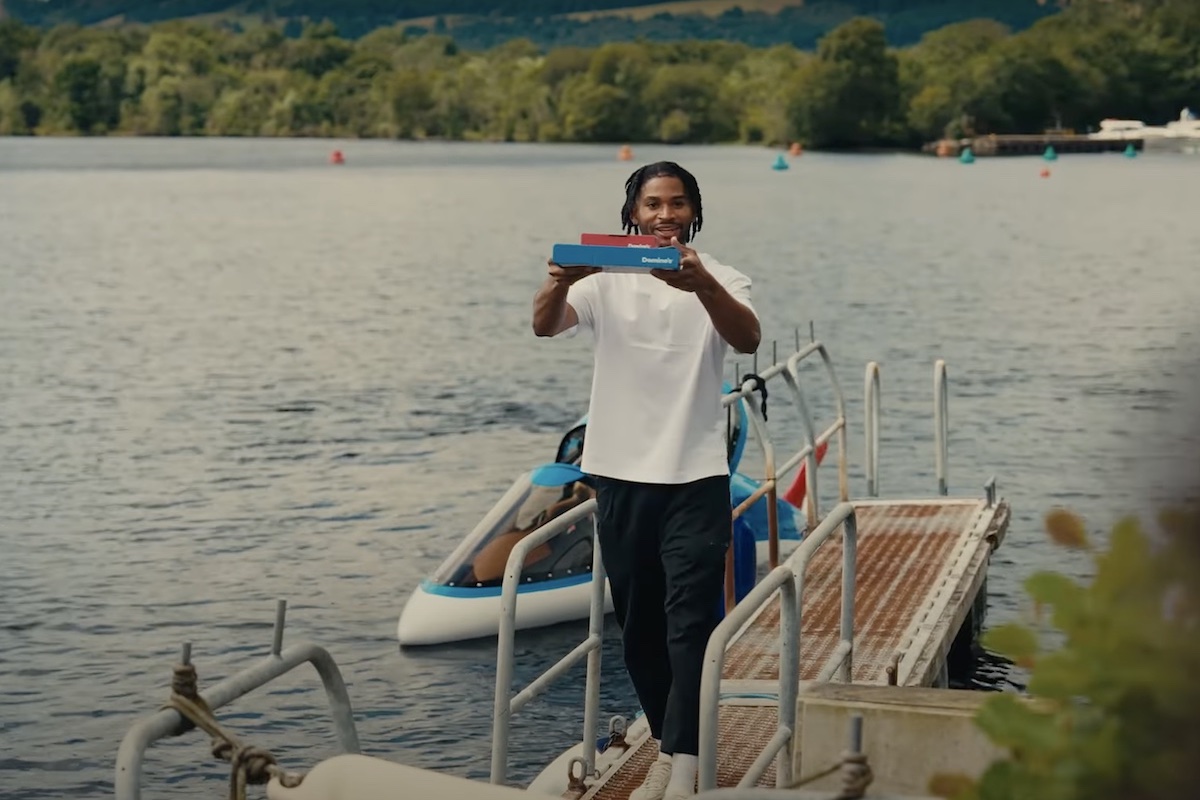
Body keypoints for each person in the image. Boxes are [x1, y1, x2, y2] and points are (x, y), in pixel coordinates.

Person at [531, 161, 760, 799]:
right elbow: (544, 324)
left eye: (677, 203)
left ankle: (681, 762)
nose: (665, 214)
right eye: (653, 204)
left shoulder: (724, 276)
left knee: (689, 621)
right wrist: (560, 281)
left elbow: (746, 338)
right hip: (619, 474)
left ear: (694, 211)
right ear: (632, 213)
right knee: (638, 630)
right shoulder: (604, 280)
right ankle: (668, 736)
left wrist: (703, 286)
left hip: (695, 476)